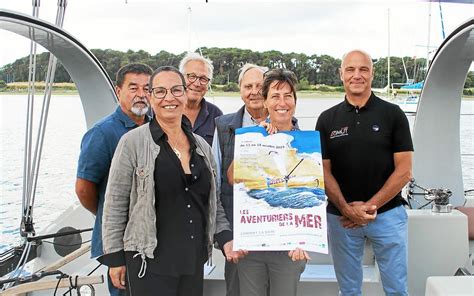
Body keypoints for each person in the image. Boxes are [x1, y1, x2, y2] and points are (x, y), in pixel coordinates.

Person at [99, 66, 231, 296]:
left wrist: (226, 237)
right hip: (149, 262)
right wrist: (115, 258)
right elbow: (115, 204)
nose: (169, 98)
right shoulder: (132, 143)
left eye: (176, 90)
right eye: (160, 91)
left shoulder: (202, 146)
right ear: (150, 97)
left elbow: (212, 201)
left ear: (185, 93)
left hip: (192, 260)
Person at [315, 49, 413, 296]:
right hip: (341, 218)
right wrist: (347, 209)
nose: (356, 75)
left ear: (372, 74)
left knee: (397, 290)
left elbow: (404, 171)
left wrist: (369, 207)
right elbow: (323, 172)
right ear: (341, 74)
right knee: (348, 291)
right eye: (350, 69)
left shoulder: (393, 114)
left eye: (363, 69)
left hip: (388, 215)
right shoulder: (327, 119)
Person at [75, 63, 152, 296]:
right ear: (118, 91)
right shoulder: (102, 133)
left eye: (147, 88)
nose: (141, 94)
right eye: (133, 88)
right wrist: (108, 215)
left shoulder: (156, 128)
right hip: (120, 242)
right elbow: (84, 189)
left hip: (149, 239)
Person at [232, 68, 310, 296]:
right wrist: (255, 140)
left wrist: (305, 238)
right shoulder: (250, 136)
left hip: (289, 248)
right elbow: (231, 178)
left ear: (295, 101)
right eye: (275, 96)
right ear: (265, 101)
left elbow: (316, 195)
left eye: (288, 96)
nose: (282, 102)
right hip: (253, 245)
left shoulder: (308, 143)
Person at [212, 63, 269, 296]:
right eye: (248, 86)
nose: (254, 91)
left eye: (260, 86)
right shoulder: (223, 126)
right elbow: (215, 182)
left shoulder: (289, 123)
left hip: (274, 232)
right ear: (240, 90)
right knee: (235, 291)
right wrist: (224, 234)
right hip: (237, 233)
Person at [179, 52, 223, 145]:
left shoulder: (216, 115)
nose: (196, 84)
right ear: (180, 78)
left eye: (203, 79)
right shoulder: (165, 109)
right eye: (192, 76)